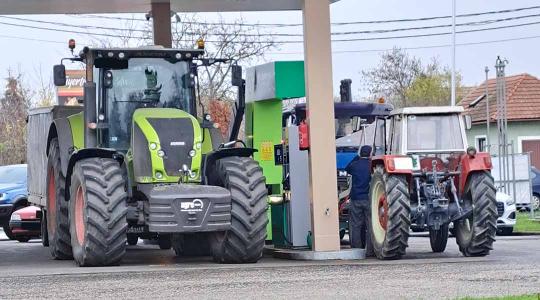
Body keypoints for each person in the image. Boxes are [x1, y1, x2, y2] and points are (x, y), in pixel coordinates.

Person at [346, 145, 373, 255]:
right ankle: (371, 250)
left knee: (356, 225)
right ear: (370, 153)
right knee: (371, 225)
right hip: (368, 199)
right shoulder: (372, 165)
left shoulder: (355, 165)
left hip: (356, 198)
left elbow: (347, 168)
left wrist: (357, 157)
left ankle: (356, 250)